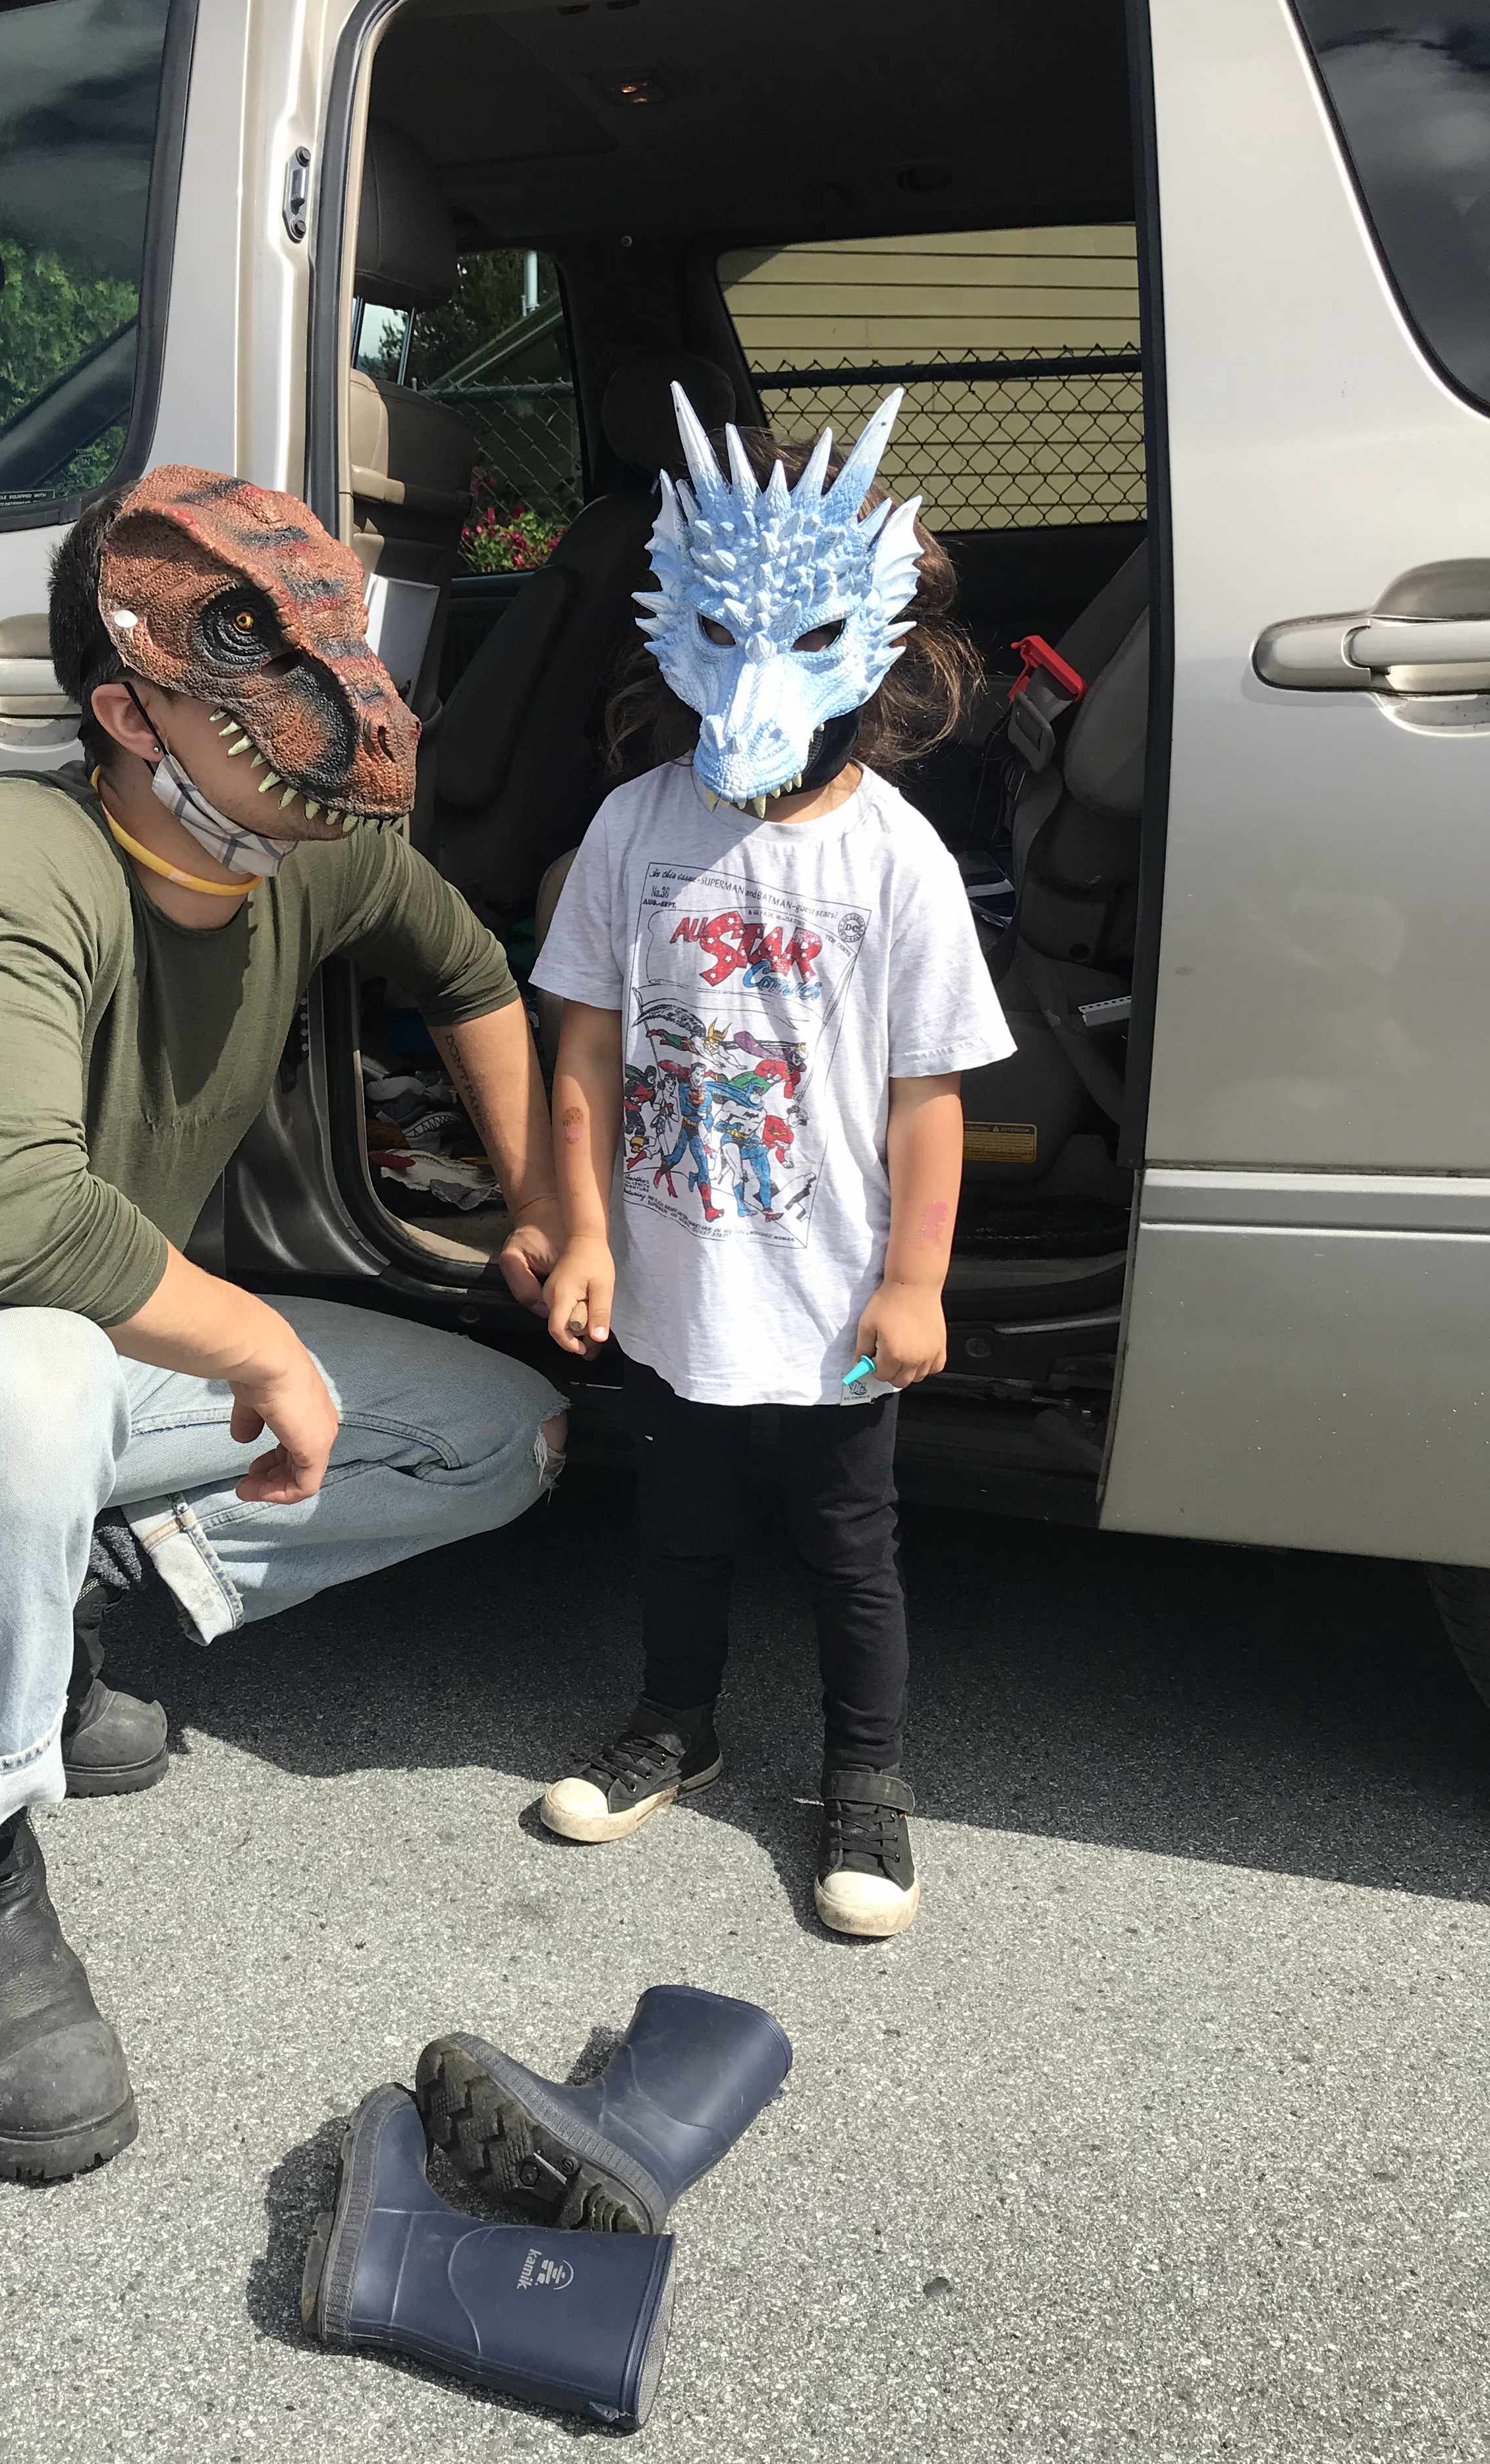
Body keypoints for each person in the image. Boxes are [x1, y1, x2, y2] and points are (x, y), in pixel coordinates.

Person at [0, 464, 568, 2180]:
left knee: (500, 1435)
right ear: (126, 708)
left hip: (64, 1358)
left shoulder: (309, 857)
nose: (327, 712)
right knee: (20, 1369)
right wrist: (251, 1345)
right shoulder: (10, 856)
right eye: (251, 665)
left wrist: (552, 1200)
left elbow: (468, 970)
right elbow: (9, 1220)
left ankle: (66, 1588)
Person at [530, 387, 1016, 1938]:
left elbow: (929, 1096)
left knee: (849, 1551)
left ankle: (866, 1777)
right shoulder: (630, 828)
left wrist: (917, 1281)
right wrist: (586, 1231)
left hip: (829, 1305)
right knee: (675, 1526)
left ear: (873, 646)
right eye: (730, 638)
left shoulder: (898, 858)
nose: (758, 684)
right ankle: (680, 1721)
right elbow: (588, 1048)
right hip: (674, 1283)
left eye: (803, 643)